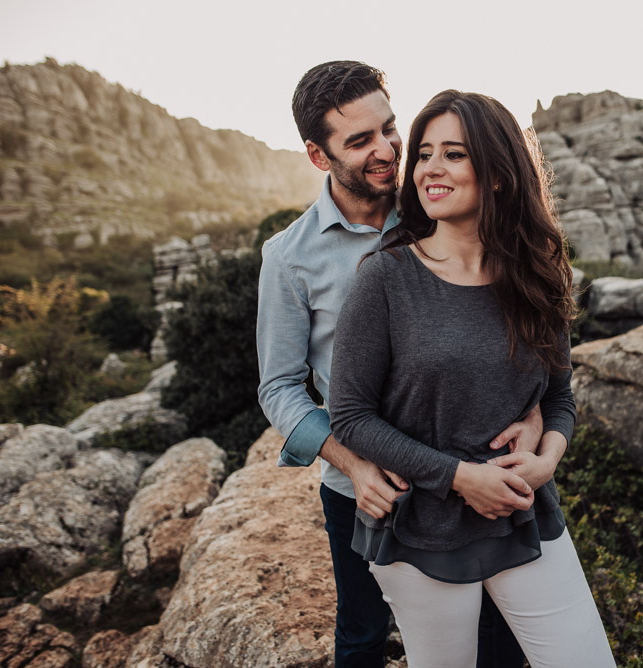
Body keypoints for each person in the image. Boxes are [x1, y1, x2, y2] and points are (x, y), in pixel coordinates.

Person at [257, 62, 540, 668]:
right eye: (359, 141)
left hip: (472, 471)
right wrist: (353, 464)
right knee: (362, 635)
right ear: (317, 154)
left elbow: (511, 327)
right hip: (368, 489)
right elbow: (279, 386)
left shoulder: (439, 207)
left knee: (496, 639)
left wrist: (537, 411)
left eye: (389, 128)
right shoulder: (288, 258)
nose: (386, 150)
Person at [329, 90, 617, 667]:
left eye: (454, 154)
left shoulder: (537, 271)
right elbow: (350, 417)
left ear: (499, 175)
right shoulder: (385, 278)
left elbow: (559, 396)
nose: (430, 168)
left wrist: (548, 459)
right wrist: (459, 477)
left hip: (522, 510)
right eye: (425, 153)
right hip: (421, 529)